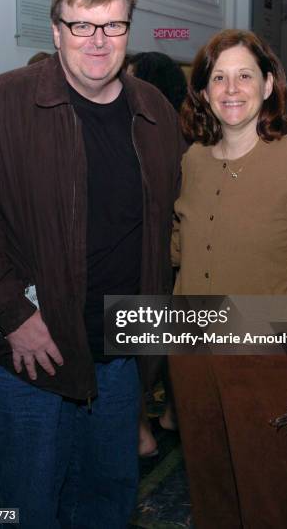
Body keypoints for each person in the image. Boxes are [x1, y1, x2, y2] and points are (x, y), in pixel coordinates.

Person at [0, 0, 183, 529]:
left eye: (113, 26)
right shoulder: (2, 106)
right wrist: (10, 315)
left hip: (121, 355)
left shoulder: (154, 110)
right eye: (82, 26)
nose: (98, 42)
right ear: (55, 30)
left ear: (129, 30)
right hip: (30, 355)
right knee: (26, 503)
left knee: (107, 499)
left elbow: (170, 225)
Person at [169, 29, 287, 528]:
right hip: (192, 355)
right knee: (209, 487)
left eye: (244, 75)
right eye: (218, 77)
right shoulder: (192, 160)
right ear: (202, 91)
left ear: (267, 86)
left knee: (270, 495)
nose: (231, 88)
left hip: (265, 358)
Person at [127, 51, 186, 457]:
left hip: (150, 260)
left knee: (135, 350)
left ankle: (142, 432)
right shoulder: (192, 136)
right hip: (178, 264)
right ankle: (173, 416)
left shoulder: (148, 135)